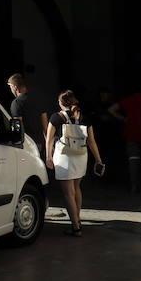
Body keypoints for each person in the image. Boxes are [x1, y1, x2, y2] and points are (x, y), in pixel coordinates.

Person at [45, 90, 104, 237]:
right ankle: (77, 219)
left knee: (68, 193)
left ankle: (76, 227)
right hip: (81, 155)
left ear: (61, 103)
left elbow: (49, 139)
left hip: (64, 156)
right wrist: (98, 160)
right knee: (76, 188)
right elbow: (91, 141)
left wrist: (48, 156)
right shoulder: (84, 117)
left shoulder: (56, 117)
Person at [6, 73, 47, 148]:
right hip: (40, 143)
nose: (11, 90)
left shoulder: (16, 103)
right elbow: (45, 126)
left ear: (15, 87)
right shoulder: (38, 99)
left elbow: (18, 129)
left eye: (10, 87)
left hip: (27, 145)